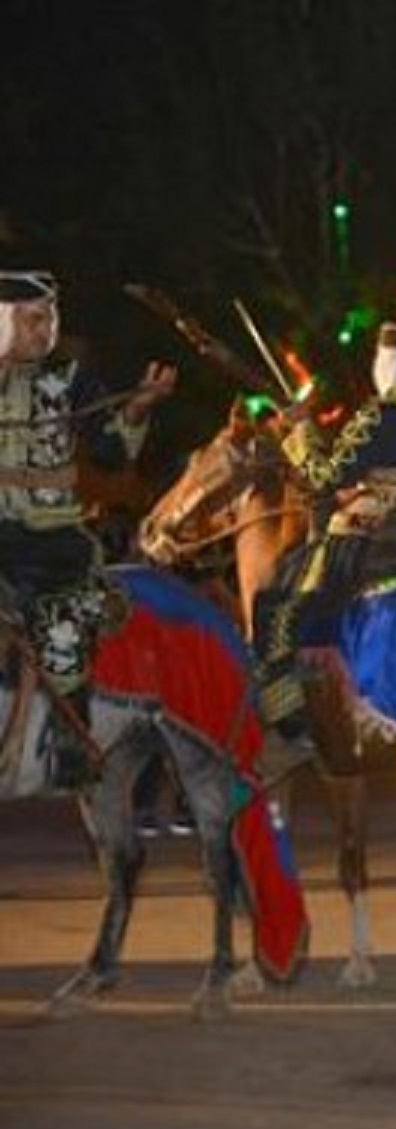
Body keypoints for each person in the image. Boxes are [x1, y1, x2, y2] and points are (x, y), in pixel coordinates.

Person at [252, 322, 396, 772]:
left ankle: (290, 720)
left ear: (389, 363)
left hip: (370, 539)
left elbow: (322, 477)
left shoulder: (385, 412)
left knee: (278, 602)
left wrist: (299, 430)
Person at [0, 270, 175, 784]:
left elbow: (111, 450)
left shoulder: (71, 380)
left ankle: (71, 739)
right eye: (31, 319)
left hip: (50, 541)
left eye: (48, 317)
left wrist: (138, 407)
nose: (43, 329)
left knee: (64, 622)